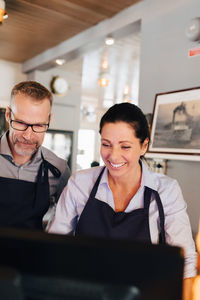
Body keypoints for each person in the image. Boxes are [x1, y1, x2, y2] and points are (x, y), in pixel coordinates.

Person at [48, 102, 196, 297]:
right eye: (106, 144)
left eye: (125, 146)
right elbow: (53, 245)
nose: (113, 156)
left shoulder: (166, 191)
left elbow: (186, 263)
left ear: (144, 146)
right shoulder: (80, 184)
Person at [0, 81, 70, 230]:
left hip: (32, 252)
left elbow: (67, 221)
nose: (28, 135)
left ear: (49, 120)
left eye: (38, 125)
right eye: (20, 123)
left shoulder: (59, 169)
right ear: (8, 114)